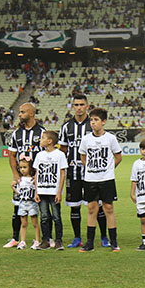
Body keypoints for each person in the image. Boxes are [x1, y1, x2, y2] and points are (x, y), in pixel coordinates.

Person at [58, 94, 108, 248]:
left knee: (97, 205)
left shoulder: (92, 124)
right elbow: (64, 149)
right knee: (74, 205)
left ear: (87, 106)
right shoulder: (66, 127)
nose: (79, 107)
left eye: (82, 104)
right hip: (73, 172)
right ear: (73, 107)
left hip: (91, 173)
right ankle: (77, 237)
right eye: (76, 105)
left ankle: (104, 237)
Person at [78, 108, 122, 252]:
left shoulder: (110, 138)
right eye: (91, 120)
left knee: (108, 208)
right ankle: (89, 242)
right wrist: (91, 169)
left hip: (107, 179)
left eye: (96, 120)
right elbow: (83, 156)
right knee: (91, 209)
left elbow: (118, 157)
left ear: (103, 122)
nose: (93, 123)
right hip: (90, 179)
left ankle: (113, 242)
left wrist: (108, 169)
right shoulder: (86, 139)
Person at [4, 103, 45, 248]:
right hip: (22, 179)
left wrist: (39, 176)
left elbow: (46, 155)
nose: (20, 115)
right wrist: (16, 174)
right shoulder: (17, 133)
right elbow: (12, 155)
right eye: (19, 112)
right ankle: (16, 238)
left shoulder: (42, 133)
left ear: (32, 113)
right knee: (18, 208)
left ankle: (44, 238)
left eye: (22, 112)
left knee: (42, 209)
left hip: (37, 179)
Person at [33, 131, 67, 250]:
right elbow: (37, 174)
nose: (40, 140)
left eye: (42, 138)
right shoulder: (39, 155)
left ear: (50, 141)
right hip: (42, 191)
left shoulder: (60, 155)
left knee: (56, 216)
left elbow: (63, 174)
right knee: (44, 217)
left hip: (53, 191)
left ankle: (58, 240)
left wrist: (59, 192)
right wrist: (36, 191)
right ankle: (46, 240)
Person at [13, 160, 39, 250]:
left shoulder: (33, 179)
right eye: (20, 168)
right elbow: (19, 193)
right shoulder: (20, 180)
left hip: (31, 202)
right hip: (22, 203)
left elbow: (36, 190)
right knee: (23, 223)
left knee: (35, 223)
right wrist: (13, 187)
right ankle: (22, 241)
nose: (22, 170)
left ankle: (37, 240)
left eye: (25, 167)